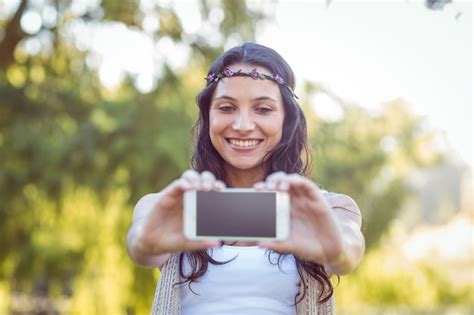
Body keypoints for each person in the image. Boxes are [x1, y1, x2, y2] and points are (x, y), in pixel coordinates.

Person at [126, 42, 365, 315]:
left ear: (287, 119)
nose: (242, 126)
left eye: (263, 109)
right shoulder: (168, 207)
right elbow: (139, 246)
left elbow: (349, 249)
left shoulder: (329, 208)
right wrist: (145, 243)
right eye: (226, 108)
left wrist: (335, 249)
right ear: (208, 116)